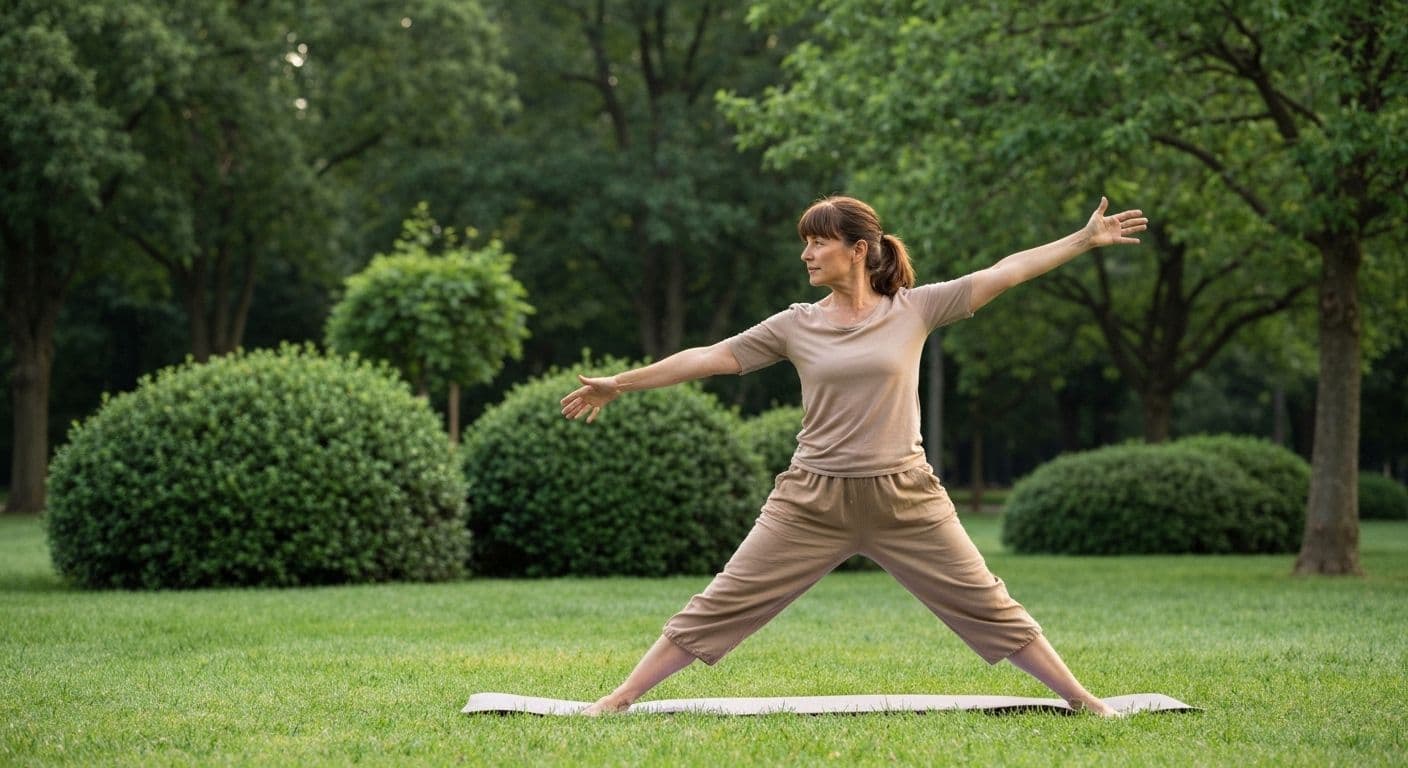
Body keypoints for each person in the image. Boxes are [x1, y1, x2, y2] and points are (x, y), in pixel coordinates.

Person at [559, 195, 1147, 717]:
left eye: (818, 243)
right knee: (722, 601)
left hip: (906, 498)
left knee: (988, 603)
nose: (807, 255)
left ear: (858, 249)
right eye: (805, 244)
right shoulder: (796, 325)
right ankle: (619, 698)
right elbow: (710, 357)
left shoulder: (916, 308)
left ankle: (1082, 699)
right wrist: (621, 382)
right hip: (812, 500)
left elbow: (1006, 271)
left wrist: (1084, 239)